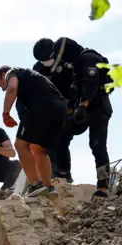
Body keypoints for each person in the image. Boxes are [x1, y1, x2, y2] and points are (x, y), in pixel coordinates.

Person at [34, 37, 114, 198]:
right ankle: (61, 175)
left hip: (98, 107)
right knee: (60, 133)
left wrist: (83, 105)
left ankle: (103, 186)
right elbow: (75, 87)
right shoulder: (76, 64)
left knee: (97, 144)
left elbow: (91, 83)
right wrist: (72, 108)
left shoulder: (88, 58)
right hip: (79, 107)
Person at [0, 65, 67, 199]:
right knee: (38, 148)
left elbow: (11, 88)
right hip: (59, 108)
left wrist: (5, 114)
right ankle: (48, 187)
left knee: (20, 145)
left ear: (4, 74)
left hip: (42, 106)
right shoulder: (31, 81)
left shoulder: (13, 72)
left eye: (1, 85)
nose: (3, 89)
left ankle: (35, 184)